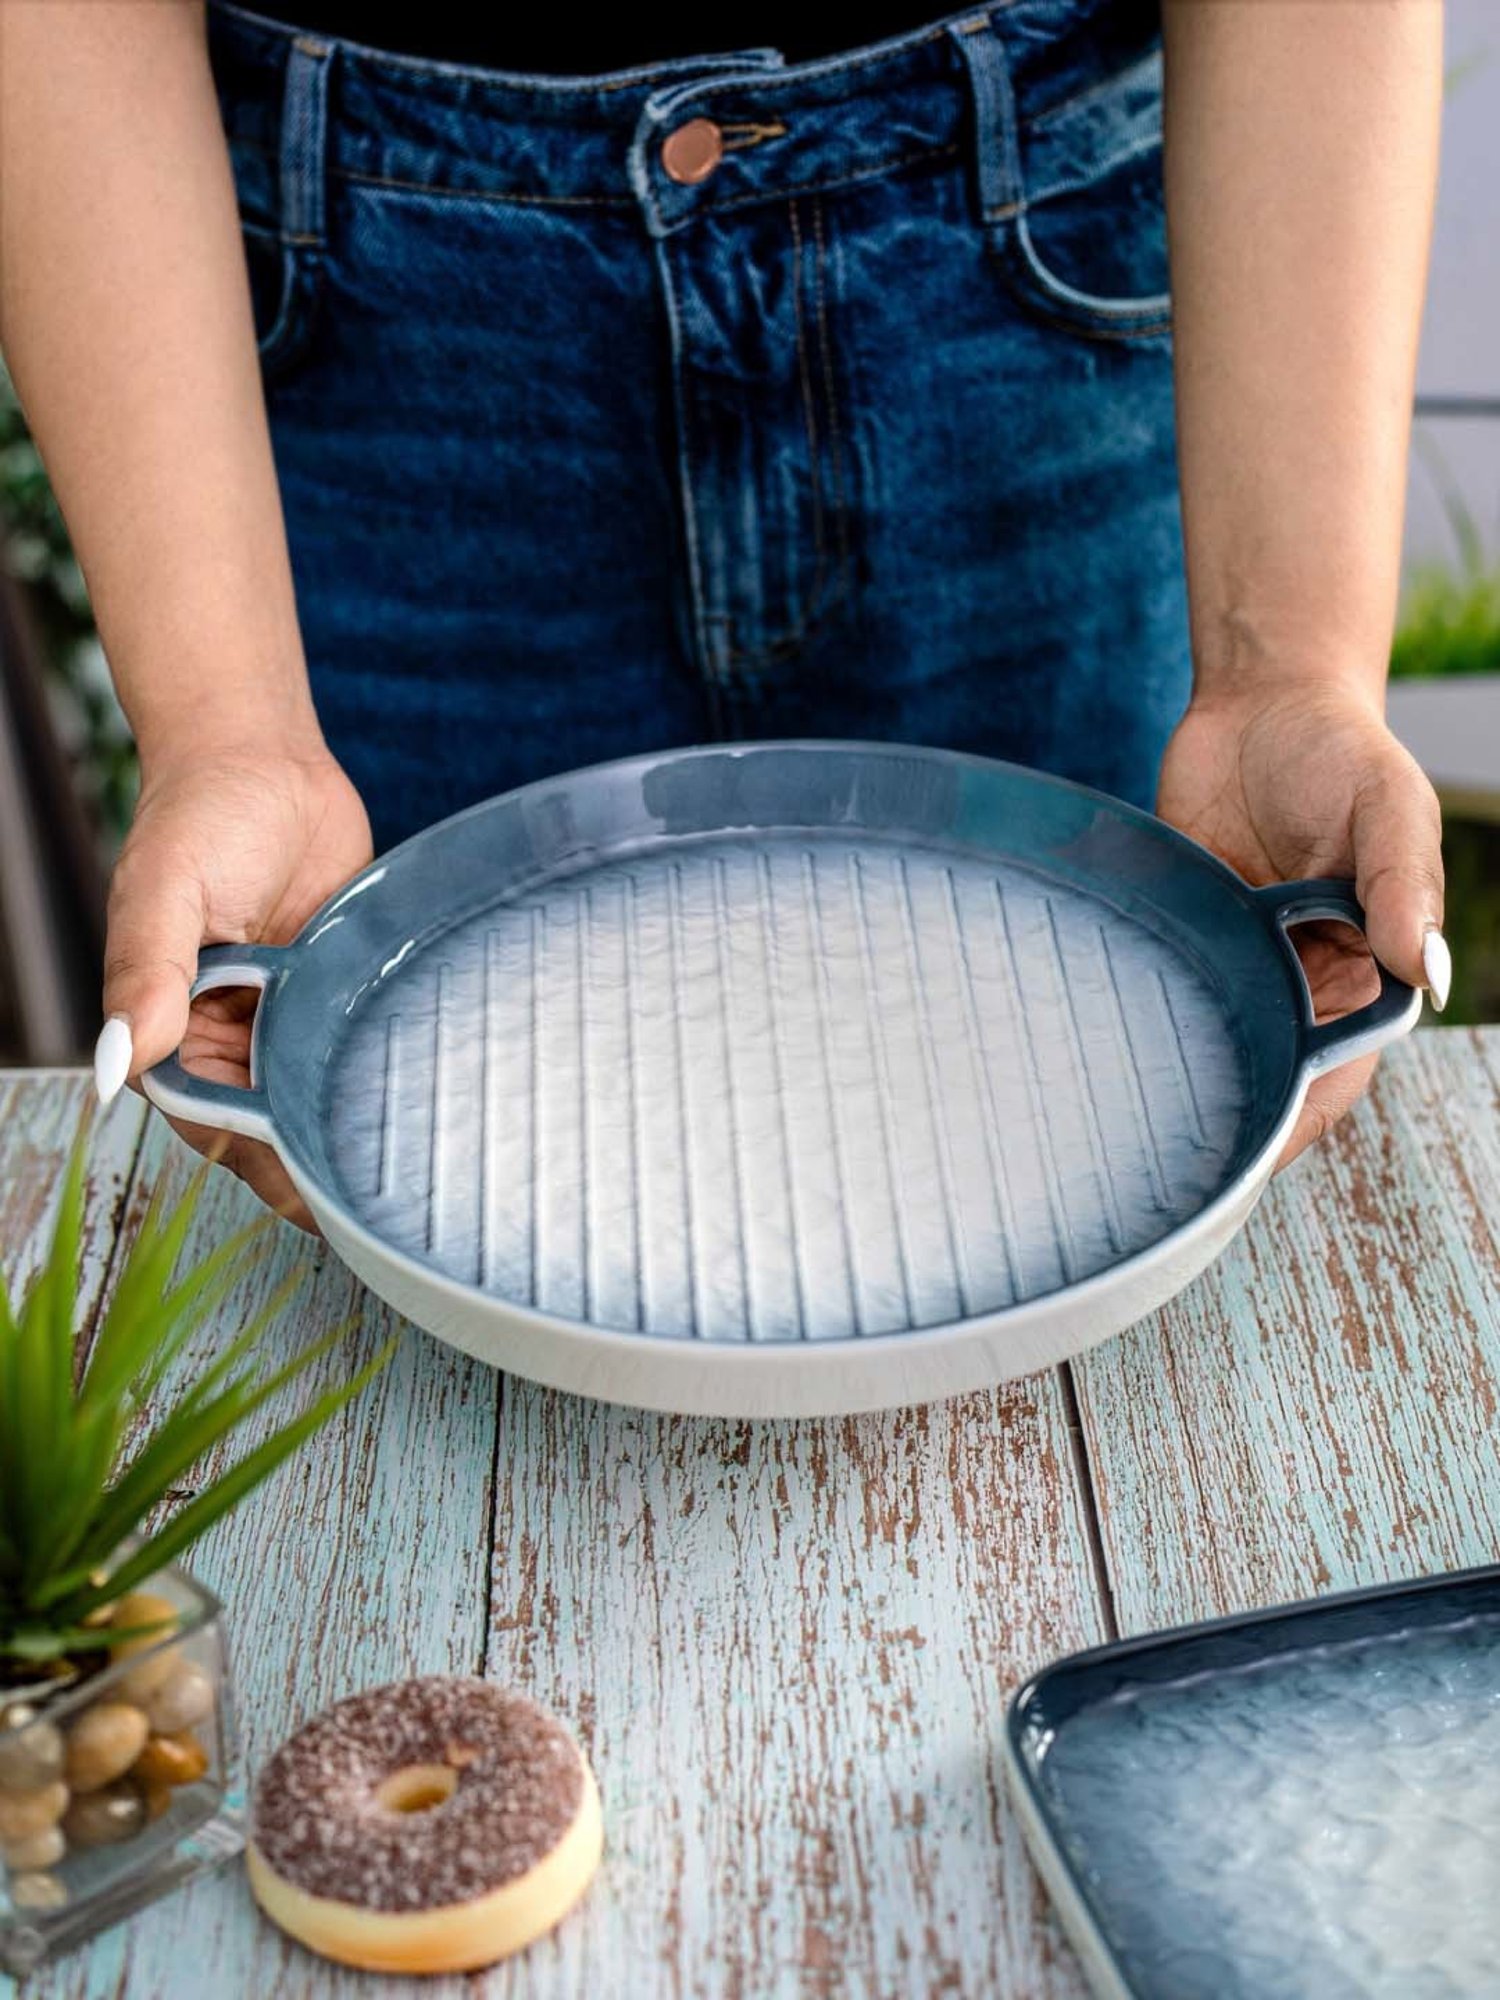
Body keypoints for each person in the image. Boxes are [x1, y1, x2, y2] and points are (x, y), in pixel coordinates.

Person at [2, 0, 1449, 1232]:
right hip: (373, 343)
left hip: (1027, 295)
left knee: (1096, 1193)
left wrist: (1286, 674)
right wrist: (229, 724)